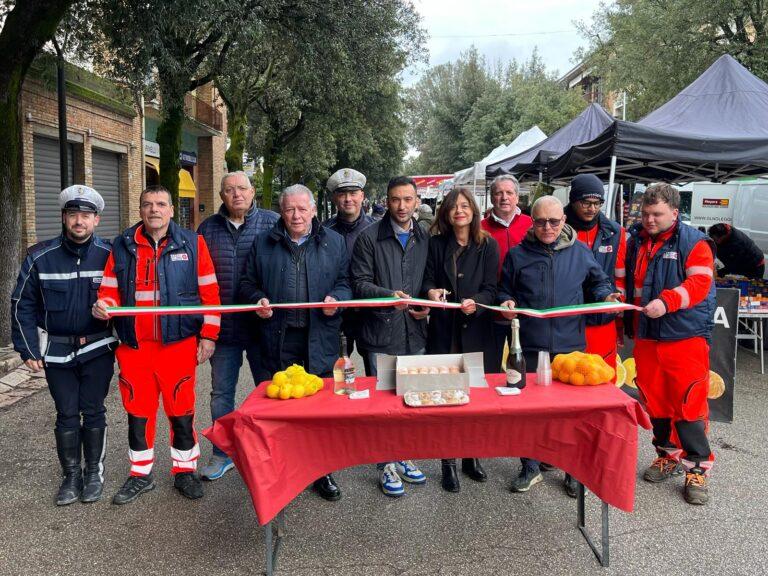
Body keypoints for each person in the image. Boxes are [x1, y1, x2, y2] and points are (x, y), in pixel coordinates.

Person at [93, 185, 221, 504]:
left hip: (177, 345)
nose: (154, 210)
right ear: (140, 210)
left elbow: (210, 293)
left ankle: (185, 470)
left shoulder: (193, 243)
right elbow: (109, 290)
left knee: (181, 411)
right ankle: (140, 474)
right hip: (134, 347)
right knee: (138, 412)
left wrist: (209, 335)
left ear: (171, 210)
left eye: (161, 204)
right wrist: (105, 305)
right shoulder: (122, 245)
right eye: (148, 204)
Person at [498, 195, 619, 493]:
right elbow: (504, 290)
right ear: (532, 222)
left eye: (553, 221)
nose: (547, 228)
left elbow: (598, 282)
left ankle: (572, 470)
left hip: (570, 346)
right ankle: (530, 466)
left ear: (564, 220)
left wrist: (607, 296)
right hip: (529, 345)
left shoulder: (580, 252)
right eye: (540, 222)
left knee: (569, 413)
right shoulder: (517, 255)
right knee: (528, 411)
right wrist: (506, 301)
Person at [240, 184, 351, 502]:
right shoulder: (264, 242)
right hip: (278, 336)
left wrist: (337, 299)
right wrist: (257, 299)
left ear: (314, 210)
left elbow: (345, 282)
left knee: (320, 409)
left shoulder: (334, 242)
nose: (296, 215)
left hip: (320, 336)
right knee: (281, 406)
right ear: (281, 211)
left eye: (302, 209)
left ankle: (321, 470)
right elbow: (247, 283)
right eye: (289, 209)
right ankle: (283, 467)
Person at [11, 186, 116, 505]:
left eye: (85, 215)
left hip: (97, 347)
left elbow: (127, 296)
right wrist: (28, 348)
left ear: (96, 220)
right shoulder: (39, 256)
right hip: (57, 351)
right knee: (66, 413)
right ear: (63, 217)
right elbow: (22, 304)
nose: (79, 221)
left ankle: (93, 473)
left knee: (93, 410)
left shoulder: (111, 255)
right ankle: (71, 476)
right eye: (73, 214)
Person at [625, 184, 716, 505]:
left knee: (689, 402)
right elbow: (632, 284)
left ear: (675, 213)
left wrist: (667, 302)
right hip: (648, 335)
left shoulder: (695, 242)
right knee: (656, 401)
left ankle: (697, 468)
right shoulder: (636, 240)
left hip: (684, 336)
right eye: (645, 213)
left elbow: (700, 283)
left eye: (657, 214)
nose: (649, 219)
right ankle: (667, 455)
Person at [196, 171, 279, 481]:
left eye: (242, 188)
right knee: (221, 394)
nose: (236, 194)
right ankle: (223, 453)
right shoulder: (208, 228)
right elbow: (197, 277)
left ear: (253, 191)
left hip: (263, 327)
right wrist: (203, 329)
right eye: (229, 190)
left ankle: (270, 450)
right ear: (221, 195)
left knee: (269, 390)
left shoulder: (272, 223)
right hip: (225, 329)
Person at [351, 175, 430, 497]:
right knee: (384, 402)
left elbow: (427, 278)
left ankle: (403, 455)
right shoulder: (369, 238)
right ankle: (385, 463)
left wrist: (429, 296)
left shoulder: (424, 236)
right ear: (386, 201)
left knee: (409, 399)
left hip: (415, 332)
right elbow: (359, 284)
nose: (401, 206)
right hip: (381, 332)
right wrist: (388, 296)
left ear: (416, 201)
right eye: (395, 199)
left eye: (408, 199)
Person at [422, 189, 499, 493]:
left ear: (474, 210)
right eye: (454, 206)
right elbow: (427, 280)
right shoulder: (436, 244)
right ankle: (448, 463)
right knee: (447, 398)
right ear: (446, 212)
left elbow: (492, 289)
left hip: (477, 331)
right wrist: (432, 291)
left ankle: (471, 456)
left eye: (465, 206)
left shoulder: (487, 245)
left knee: (474, 399)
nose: (459, 211)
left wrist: (477, 302)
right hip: (444, 331)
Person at [480, 175, 533, 369]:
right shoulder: (480, 228)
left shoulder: (532, 225)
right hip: (490, 310)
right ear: (491, 197)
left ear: (517, 197)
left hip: (524, 310)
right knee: (489, 367)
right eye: (498, 193)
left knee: (522, 367)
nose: (504, 197)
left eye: (509, 193)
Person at [322, 168, 374, 357]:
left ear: (362, 196)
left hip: (370, 313)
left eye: (353, 193)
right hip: (337, 314)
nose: (348, 199)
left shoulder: (377, 229)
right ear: (334, 198)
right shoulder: (323, 231)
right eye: (342, 194)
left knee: (375, 370)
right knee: (339, 368)